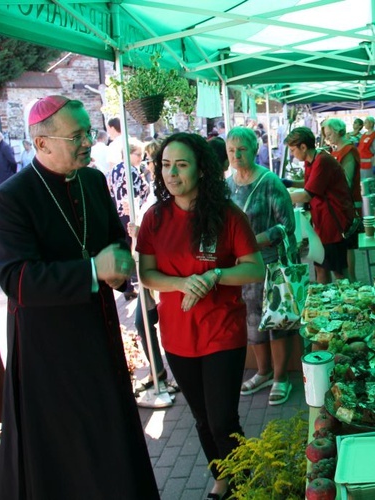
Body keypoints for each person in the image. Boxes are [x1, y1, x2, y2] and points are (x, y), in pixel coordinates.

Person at [0, 95, 158, 498]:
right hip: (49, 352)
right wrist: (91, 271)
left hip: (100, 331)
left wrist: (120, 268)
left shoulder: (91, 180)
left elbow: (112, 239)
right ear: (42, 144)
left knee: (111, 435)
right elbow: (16, 279)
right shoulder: (11, 197)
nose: (89, 141)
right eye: (76, 136)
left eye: (89, 131)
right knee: (68, 452)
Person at [137, 132, 265, 500]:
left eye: (181, 164)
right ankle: (223, 477)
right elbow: (146, 273)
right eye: (165, 165)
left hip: (221, 332)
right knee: (202, 419)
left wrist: (215, 275)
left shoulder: (226, 215)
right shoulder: (155, 218)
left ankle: (244, 484)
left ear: (202, 170)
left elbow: (255, 269)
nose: (171, 173)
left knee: (223, 419)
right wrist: (180, 285)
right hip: (177, 337)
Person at [226, 127, 299, 405]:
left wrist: (256, 241)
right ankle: (263, 372)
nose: (236, 155)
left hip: (272, 264)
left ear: (255, 150)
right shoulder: (227, 185)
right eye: (231, 150)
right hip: (242, 266)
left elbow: (286, 225)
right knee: (252, 321)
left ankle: (281, 378)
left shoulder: (270, 182)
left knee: (277, 321)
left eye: (241, 149)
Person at [127, 139, 176, 398]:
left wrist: (140, 231)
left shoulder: (166, 192)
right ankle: (159, 371)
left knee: (149, 321)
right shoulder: (153, 189)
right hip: (149, 267)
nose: (147, 165)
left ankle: (165, 372)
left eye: (150, 160)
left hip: (160, 269)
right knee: (145, 322)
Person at [284, 126, 355, 284]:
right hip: (322, 224)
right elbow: (310, 184)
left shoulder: (322, 161)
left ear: (303, 147)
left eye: (293, 150)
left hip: (333, 224)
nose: (292, 154)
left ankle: (352, 303)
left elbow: (307, 194)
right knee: (320, 269)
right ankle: (324, 305)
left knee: (339, 273)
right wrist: (289, 183)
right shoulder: (312, 160)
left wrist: (282, 196)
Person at [109, 139, 149, 300]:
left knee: (125, 249)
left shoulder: (115, 170)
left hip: (119, 214)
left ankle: (126, 285)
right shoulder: (130, 171)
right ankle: (129, 284)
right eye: (137, 154)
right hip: (131, 214)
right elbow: (136, 194)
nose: (140, 157)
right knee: (132, 250)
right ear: (128, 154)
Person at [324, 118, 362, 281]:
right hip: (339, 203)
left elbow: (346, 180)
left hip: (348, 203)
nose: (328, 137)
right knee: (344, 244)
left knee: (347, 245)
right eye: (326, 135)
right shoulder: (335, 151)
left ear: (338, 131)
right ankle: (349, 280)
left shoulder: (348, 151)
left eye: (330, 134)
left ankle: (351, 280)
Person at [357, 116, 375, 186]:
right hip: (362, 165)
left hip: (370, 165)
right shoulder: (364, 135)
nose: (364, 124)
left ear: (371, 124)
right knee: (363, 186)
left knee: (371, 185)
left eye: (366, 122)